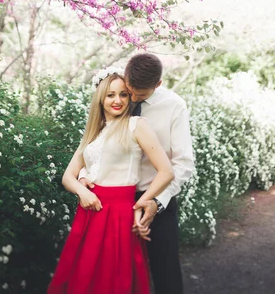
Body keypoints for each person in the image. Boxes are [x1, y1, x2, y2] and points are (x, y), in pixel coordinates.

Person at [47, 68, 174, 294]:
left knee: (114, 281)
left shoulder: (137, 125)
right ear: (101, 98)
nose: (118, 100)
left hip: (119, 215)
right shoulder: (94, 132)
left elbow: (166, 171)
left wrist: (140, 204)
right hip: (89, 212)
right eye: (111, 95)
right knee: (83, 277)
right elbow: (68, 176)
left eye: (123, 94)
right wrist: (82, 191)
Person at [82, 53, 195, 294]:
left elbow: (183, 164)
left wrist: (156, 201)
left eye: (138, 96)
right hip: (116, 204)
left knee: (165, 273)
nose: (130, 99)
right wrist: (84, 175)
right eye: (129, 91)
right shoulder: (118, 96)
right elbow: (98, 145)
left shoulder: (175, 106)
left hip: (157, 199)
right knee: (117, 276)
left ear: (158, 85)